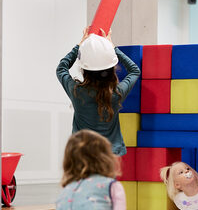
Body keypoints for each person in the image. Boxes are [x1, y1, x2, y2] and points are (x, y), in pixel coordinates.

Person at [57, 28, 140, 156]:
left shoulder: (77, 91)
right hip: (110, 155)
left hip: (82, 154)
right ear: (111, 71)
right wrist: (113, 48)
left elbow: (61, 69)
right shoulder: (116, 94)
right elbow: (134, 70)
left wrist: (79, 45)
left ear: (85, 70)